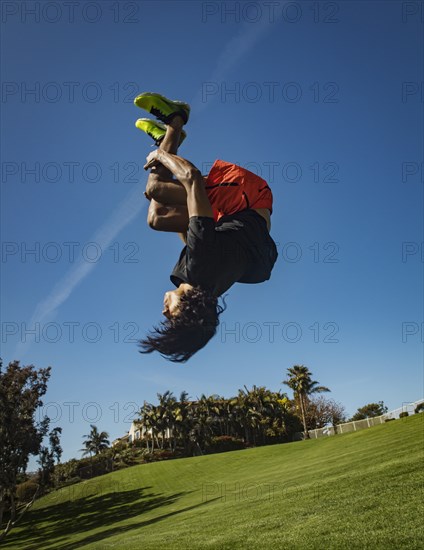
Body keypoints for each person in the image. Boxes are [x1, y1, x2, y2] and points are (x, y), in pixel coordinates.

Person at [134, 92, 278, 362]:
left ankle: (168, 138)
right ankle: (176, 119)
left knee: (156, 217)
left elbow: (190, 232)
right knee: (156, 187)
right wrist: (159, 157)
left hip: (238, 221)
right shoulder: (201, 264)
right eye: (171, 318)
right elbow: (191, 178)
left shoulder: (206, 283)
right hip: (248, 197)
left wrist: (162, 192)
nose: (164, 313)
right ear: (188, 309)